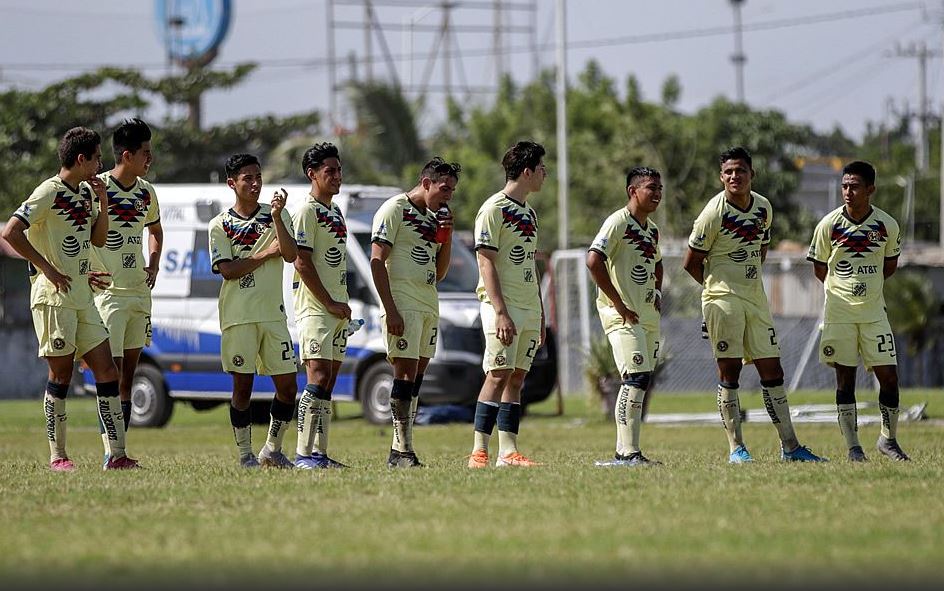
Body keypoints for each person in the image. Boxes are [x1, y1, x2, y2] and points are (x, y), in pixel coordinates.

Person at [2, 126, 138, 470]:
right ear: (82, 159)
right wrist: (46, 268)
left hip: (83, 296)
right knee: (61, 376)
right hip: (53, 298)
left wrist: (104, 202)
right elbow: (11, 232)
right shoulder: (48, 191)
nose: (100, 165)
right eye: (97, 159)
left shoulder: (88, 193)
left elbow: (98, 240)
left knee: (107, 370)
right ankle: (58, 456)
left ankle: (116, 455)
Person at [682, 146, 826, 463]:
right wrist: (716, 290)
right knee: (729, 371)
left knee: (772, 370)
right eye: (729, 172)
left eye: (741, 170)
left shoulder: (763, 208)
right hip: (723, 300)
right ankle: (736, 448)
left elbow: (761, 248)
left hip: (756, 300)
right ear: (721, 177)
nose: (735, 176)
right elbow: (691, 262)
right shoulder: (713, 213)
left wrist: (747, 280)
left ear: (752, 174)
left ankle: (791, 447)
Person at [807, 161, 908, 462]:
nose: (848, 192)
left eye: (855, 186)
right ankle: (853, 447)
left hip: (875, 314)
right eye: (844, 186)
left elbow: (889, 266)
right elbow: (819, 267)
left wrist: (867, 287)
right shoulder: (828, 225)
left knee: (889, 377)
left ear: (870, 190)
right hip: (839, 315)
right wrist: (844, 290)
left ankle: (888, 440)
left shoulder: (886, 225)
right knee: (845, 380)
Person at [208, 154, 298, 468]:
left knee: (288, 387)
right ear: (232, 183)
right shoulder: (219, 224)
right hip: (238, 316)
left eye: (258, 176)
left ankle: (272, 449)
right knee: (242, 387)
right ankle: (245, 455)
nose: (255, 183)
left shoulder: (275, 216)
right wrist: (264, 255)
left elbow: (289, 255)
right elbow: (228, 270)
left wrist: (276, 217)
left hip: (273, 314)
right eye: (247, 178)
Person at [370, 157, 459, 468]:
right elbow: (377, 261)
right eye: (444, 189)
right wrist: (390, 309)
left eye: (452, 191)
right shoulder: (395, 209)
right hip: (402, 303)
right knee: (404, 374)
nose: (448, 196)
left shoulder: (435, 218)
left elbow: (439, 271)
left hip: (427, 303)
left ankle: (401, 450)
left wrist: (447, 237)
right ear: (426, 183)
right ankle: (402, 449)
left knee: (418, 376)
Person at [467, 140, 547, 468]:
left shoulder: (529, 213)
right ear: (527, 171)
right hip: (502, 307)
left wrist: (540, 313)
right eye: (542, 168)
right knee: (497, 373)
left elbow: (528, 264)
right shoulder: (493, 209)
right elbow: (485, 262)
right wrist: (500, 311)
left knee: (517, 378)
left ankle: (508, 452)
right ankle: (478, 451)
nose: (546, 174)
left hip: (529, 307)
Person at [586, 167, 664, 466]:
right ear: (633, 191)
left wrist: (657, 293)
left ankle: (627, 451)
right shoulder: (618, 222)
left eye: (659, 188)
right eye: (650, 188)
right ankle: (626, 453)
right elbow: (593, 260)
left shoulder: (652, 229)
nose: (656, 193)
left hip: (646, 316)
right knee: (635, 377)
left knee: (641, 380)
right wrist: (617, 303)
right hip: (622, 316)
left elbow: (657, 264)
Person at [88, 118, 163, 432]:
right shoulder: (96, 188)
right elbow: (77, 233)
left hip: (138, 293)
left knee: (128, 376)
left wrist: (154, 263)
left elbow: (156, 230)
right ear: (127, 155)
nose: (150, 158)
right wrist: (83, 272)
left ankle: (121, 448)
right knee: (111, 373)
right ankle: (110, 449)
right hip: (109, 295)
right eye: (145, 152)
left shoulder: (146, 192)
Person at [291, 142, 352, 469]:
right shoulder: (306, 210)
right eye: (330, 171)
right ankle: (302, 454)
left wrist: (342, 302)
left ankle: (320, 454)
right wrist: (328, 301)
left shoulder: (335, 211)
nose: (337, 176)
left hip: (336, 308)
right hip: (315, 308)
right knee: (316, 375)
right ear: (311, 174)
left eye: (339, 170)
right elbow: (302, 262)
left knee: (329, 378)